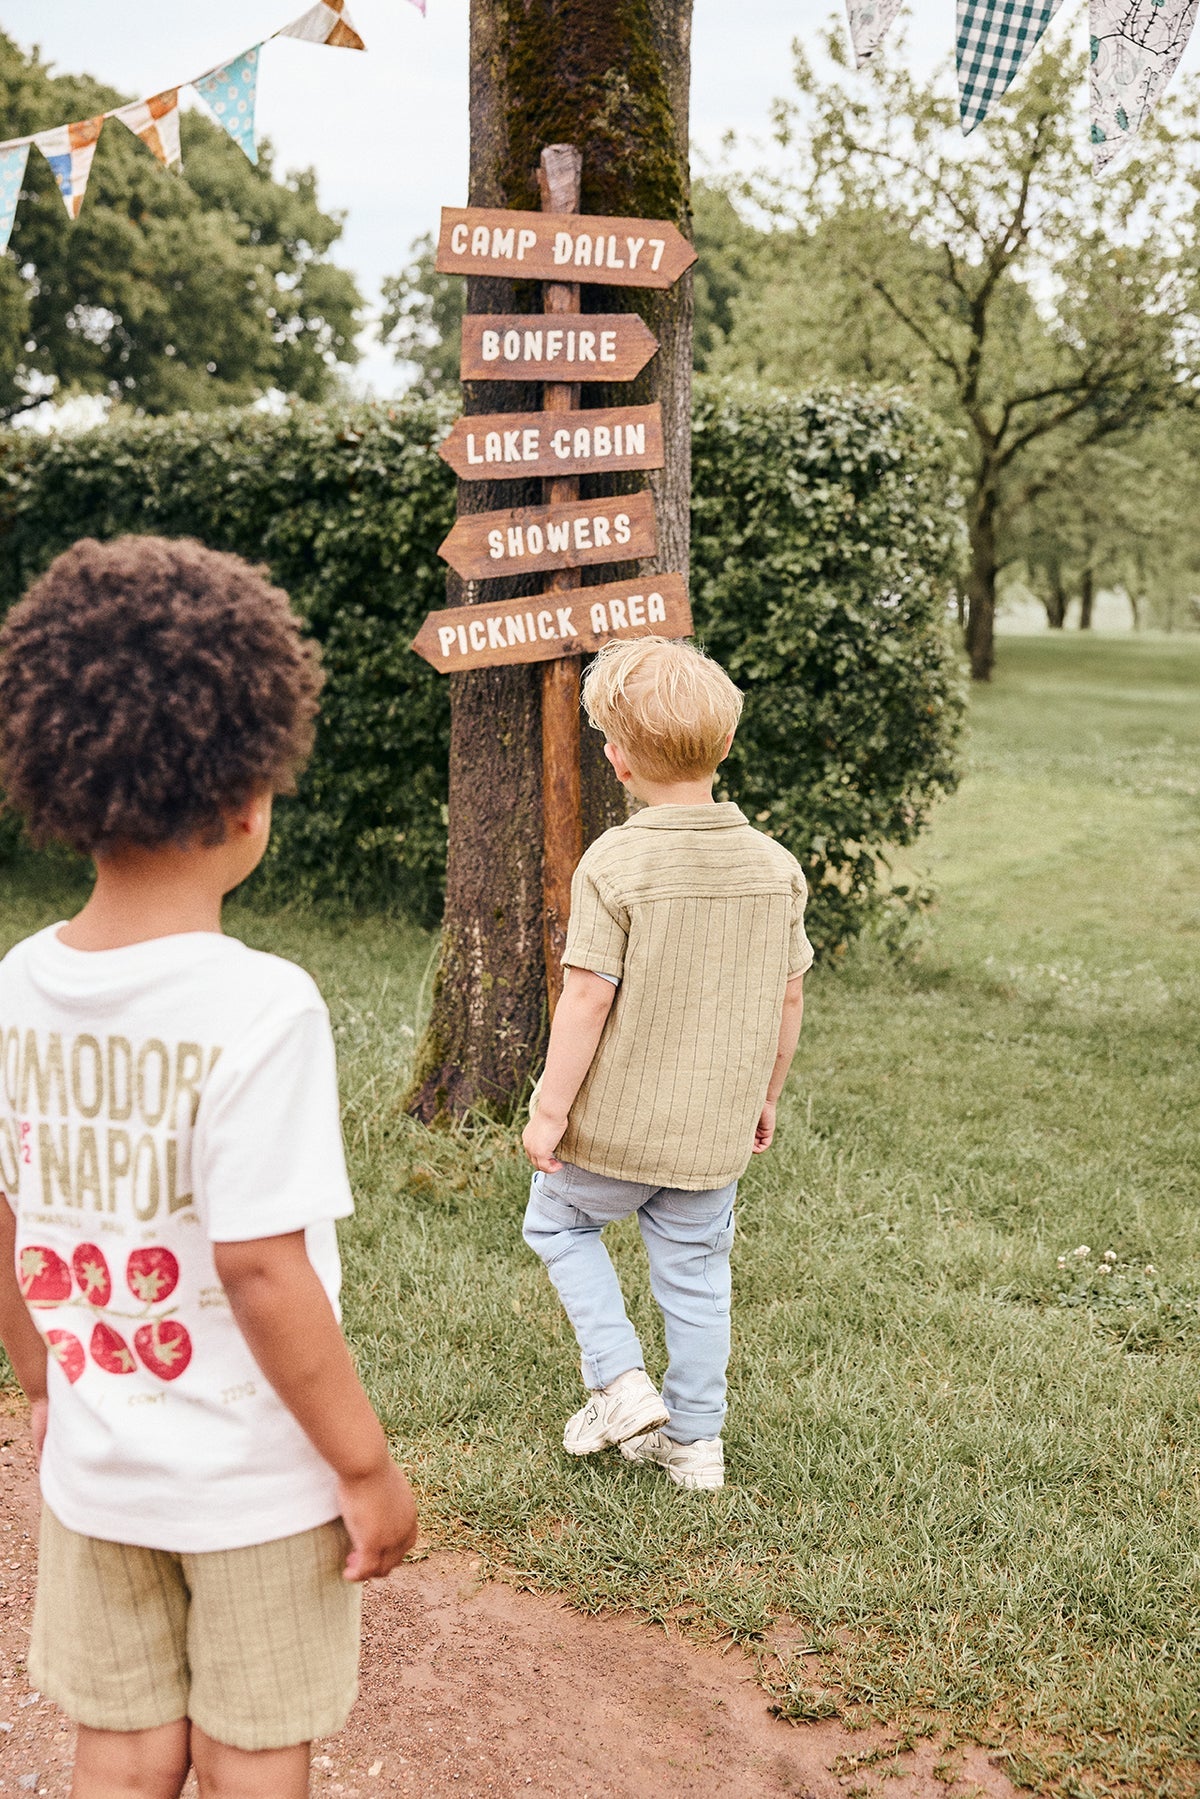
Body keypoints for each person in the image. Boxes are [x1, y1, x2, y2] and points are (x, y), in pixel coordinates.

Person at [0, 537, 418, 1799]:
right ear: (250, 797)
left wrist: (37, 1381)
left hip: (99, 1464)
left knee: (120, 1748)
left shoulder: (18, 985)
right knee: (253, 1747)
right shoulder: (263, 1006)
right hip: (257, 1480)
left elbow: (10, 1209)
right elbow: (259, 1266)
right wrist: (362, 1465)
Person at [521, 635, 812, 1493]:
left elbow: (586, 998)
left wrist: (547, 1110)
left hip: (611, 1132)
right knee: (695, 1276)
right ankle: (696, 1444)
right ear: (725, 746)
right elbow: (788, 1001)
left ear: (614, 757)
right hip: (711, 1139)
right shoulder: (775, 868)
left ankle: (618, 1382)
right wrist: (766, 1096)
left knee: (559, 1225)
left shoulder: (615, 860)